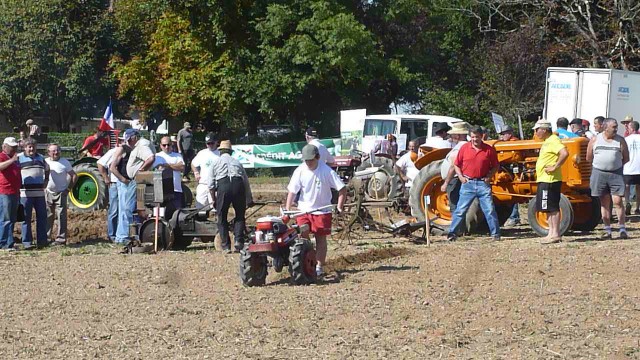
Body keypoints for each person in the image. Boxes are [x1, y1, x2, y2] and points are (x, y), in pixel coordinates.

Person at [286, 144, 346, 276]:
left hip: (322, 210)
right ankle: (305, 262)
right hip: (303, 210)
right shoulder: (300, 171)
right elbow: (292, 191)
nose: (308, 163)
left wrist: (339, 206)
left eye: (311, 160)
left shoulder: (327, 171)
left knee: (320, 238)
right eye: (306, 160)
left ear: (317, 157)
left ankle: (319, 266)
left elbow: (342, 189)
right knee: (303, 235)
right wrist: (287, 208)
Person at [447, 126, 500, 242]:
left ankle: (495, 234)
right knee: (461, 210)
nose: (475, 139)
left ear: (482, 137)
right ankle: (452, 233)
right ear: (469, 137)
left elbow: (496, 165)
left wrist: (489, 176)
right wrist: (460, 177)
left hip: (482, 183)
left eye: (477, 137)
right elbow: (456, 164)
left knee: (489, 209)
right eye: (472, 137)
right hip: (468, 183)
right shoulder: (464, 148)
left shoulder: (489, 149)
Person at [587, 118, 630, 239]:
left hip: (616, 173)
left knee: (617, 201)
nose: (616, 129)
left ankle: (622, 229)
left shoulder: (620, 140)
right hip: (599, 173)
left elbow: (626, 158)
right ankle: (608, 230)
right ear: (605, 128)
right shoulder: (595, 139)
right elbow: (589, 157)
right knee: (604, 202)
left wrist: (615, 165)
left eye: (616, 126)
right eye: (614, 127)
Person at [207, 140, 253, 252]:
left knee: (221, 216)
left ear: (220, 151)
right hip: (238, 185)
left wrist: (214, 199)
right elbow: (246, 182)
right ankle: (238, 241)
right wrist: (249, 198)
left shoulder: (215, 163)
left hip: (223, 186)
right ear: (231, 152)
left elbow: (211, 185)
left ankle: (226, 245)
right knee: (240, 215)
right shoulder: (237, 162)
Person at [532, 120, 569, 244]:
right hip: (544, 179)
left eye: (537, 130)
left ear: (544, 129)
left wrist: (555, 167)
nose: (535, 132)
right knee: (547, 207)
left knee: (552, 207)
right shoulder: (547, 142)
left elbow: (564, 153)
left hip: (550, 180)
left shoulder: (553, 140)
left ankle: (555, 234)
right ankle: (551, 233)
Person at [110, 129, 145, 244]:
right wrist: (123, 179)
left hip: (131, 182)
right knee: (125, 210)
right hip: (125, 183)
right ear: (131, 138)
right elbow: (112, 167)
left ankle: (124, 235)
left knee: (128, 210)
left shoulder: (135, 150)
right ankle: (122, 237)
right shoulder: (122, 149)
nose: (138, 139)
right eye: (136, 137)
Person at [18, 138, 49, 249]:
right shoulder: (19, 158)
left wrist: (46, 180)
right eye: (29, 147)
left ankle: (42, 241)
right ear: (25, 148)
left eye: (33, 146)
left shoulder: (41, 158)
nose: (31, 149)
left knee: (42, 217)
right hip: (25, 194)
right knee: (26, 218)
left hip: (39, 193)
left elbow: (47, 169)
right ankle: (27, 242)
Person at [45, 143, 76, 245]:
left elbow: (74, 176)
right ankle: (46, 237)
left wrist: (68, 189)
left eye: (57, 150)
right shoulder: (45, 162)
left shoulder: (65, 162)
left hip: (61, 193)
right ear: (49, 152)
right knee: (48, 215)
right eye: (53, 151)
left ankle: (60, 239)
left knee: (61, 216)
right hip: (48, 192)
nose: (56, 152)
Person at [440, 122, 470, 221]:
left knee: (454, 205)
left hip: (455, 180)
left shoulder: (460, 147)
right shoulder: (467, 145)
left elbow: (453, 166)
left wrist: (446, 182)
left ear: (457, 135)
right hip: (459, 179)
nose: (451, 136)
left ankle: (457, 229)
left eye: (453, 134)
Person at [0, 137, 21, 251]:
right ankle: (3, 243)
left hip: (14, 192)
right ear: (4, 147)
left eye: (15, 147)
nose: (14, 149)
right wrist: (12, 160)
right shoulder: (2, 156)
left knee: (12, 218)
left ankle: (9, 242)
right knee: (5, 218)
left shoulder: (14, 158)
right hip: (5, 192)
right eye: (12, 147)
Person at [498, 125, 521, 226]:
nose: (502, 136)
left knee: (513, 192)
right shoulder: (507, 143)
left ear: (509, 133)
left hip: (512, 170)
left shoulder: (513, 143)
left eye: (503, 134)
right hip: (508, 169)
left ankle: (514, 217)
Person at [191, 132, 220, 209]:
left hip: (216, 186)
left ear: (217, 142)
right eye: (208, 143)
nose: (210, 145)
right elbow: (193, 163)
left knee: (215, 209)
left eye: (212, 143)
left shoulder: (220, 154)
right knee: (200, 209)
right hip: (203, 184)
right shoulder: (202, 153)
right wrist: (196, 172)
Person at [155, 136, 185, 209]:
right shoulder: (157, 156)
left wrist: (167, 165)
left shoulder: (177, 155)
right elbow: (159, 168)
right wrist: (175, 166)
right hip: (161, 190)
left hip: (176, 189)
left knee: (177, 213)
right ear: (160, 146)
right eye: (164, 145)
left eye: (168, 144)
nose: (166, 147)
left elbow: (182, 167)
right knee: (162, 214)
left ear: (172, 144)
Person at [97, 147, 119, 242]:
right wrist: (106, 178)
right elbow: (100, 163)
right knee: (114, 210)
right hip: (115, 183)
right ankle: (112, 235)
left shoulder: (134, 150)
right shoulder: (113, 151)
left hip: (128, 184)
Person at [623, 121, 640, 215]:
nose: (627, 129)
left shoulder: (626, 139)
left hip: (628, 167)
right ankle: (637, 207)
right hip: (639, 167)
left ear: (632, 129)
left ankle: (627, 202)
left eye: (628, 127)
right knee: (638, 188)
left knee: (627, 187)